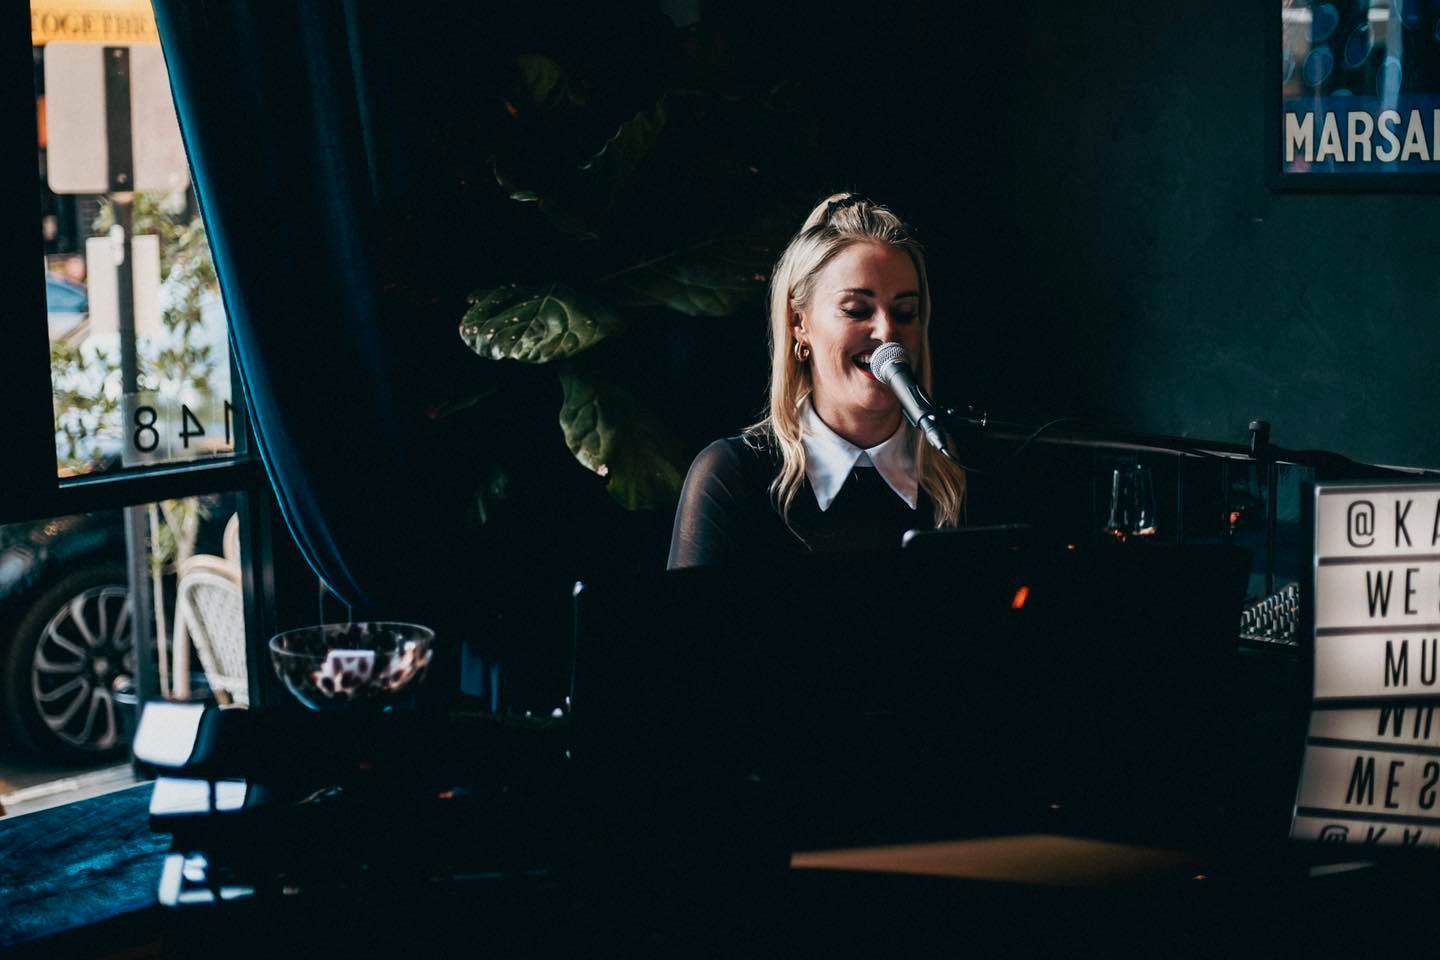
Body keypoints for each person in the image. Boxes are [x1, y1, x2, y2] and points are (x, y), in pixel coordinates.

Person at [667, 193, 967, 569]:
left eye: (905, 313)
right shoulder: (734, 476)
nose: (887, 331)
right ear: (799, 323)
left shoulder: (959, 476)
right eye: (857, 310)